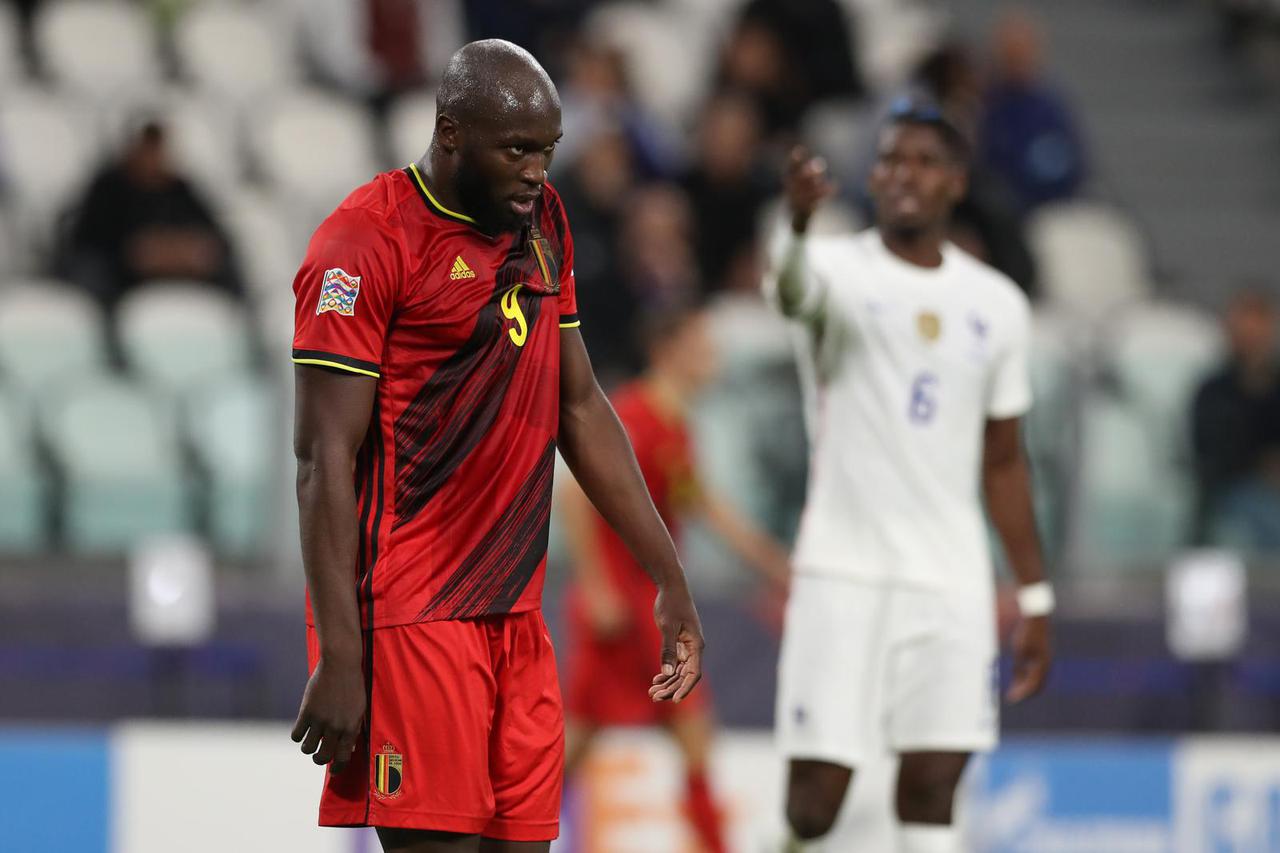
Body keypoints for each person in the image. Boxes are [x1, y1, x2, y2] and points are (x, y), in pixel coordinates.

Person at [287, 39, 705, 853]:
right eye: (516, 150)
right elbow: (321, 460)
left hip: (515, 614)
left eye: (546, 152)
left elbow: (578, 404)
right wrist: (340, 650)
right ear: (449, 133)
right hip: (411, 616)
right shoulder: (365, 243)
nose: (535, 172)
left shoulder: (542, 222)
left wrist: (667, 575)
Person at [764, 100, 1054, 851]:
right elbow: (792, 293)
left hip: (950, 580)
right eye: (891, 159)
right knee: (813, 808)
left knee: (931, 789)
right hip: (843, 570)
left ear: (956, 182)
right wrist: (798, 225)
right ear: (873, 175)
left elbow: (1002, 459)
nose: (904, 174)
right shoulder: (833, 269)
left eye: (924, 161)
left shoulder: (997, 304)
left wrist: (1034, 594)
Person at [559, 303, 791, 853]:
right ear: (669, 351)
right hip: (621, 605)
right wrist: (597, 587)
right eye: (701, 347)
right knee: (587, 737)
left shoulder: (674, 425)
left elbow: (700, 503)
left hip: (652, 608)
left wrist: (770, 562)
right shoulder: (633, 417)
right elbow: (573, 495)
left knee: (681, 733)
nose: (711, 360)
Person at [60, 120, 241, 310]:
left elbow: (215, 238)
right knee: (92, 273)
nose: (152, 159)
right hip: (120, 273)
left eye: (157, 151)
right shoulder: (108, 187)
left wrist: (187, 251)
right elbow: (91, 239)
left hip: (182, 273)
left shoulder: (179, 188)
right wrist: (137, 252)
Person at [1191, 288, 1280, 548]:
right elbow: (1210, 450)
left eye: (1258, 325)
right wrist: (1261, 466)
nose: (1251, 334)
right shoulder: (1214, 390)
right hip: (1232, 489)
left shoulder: (1274, 385)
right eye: (1244, 325)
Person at [979, 10, 1088, 213]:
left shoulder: (1051, 108)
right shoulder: (982, 104)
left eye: (1022, 52)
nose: (1017, 61)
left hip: (1048, 210)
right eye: (1010, 53)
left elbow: (1074, 165)